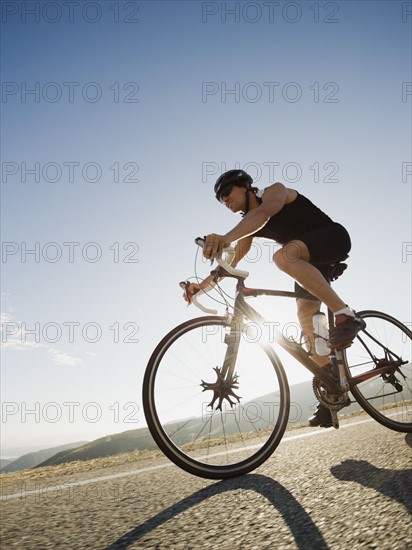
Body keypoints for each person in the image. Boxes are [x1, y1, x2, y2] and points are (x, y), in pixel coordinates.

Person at [183, 169, 365, 428]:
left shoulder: (274, 192)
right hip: (309, 260)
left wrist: (224, 238)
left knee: (283, 257)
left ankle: (346, 315)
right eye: (219, 199)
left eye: (226, 192)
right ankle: (331, 390)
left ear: (245, 186)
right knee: (306, 317)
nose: (224, 200)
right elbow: (231, 263)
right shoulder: (249, 224)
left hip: (333, 238)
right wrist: (200, 287)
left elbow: (263, 213)